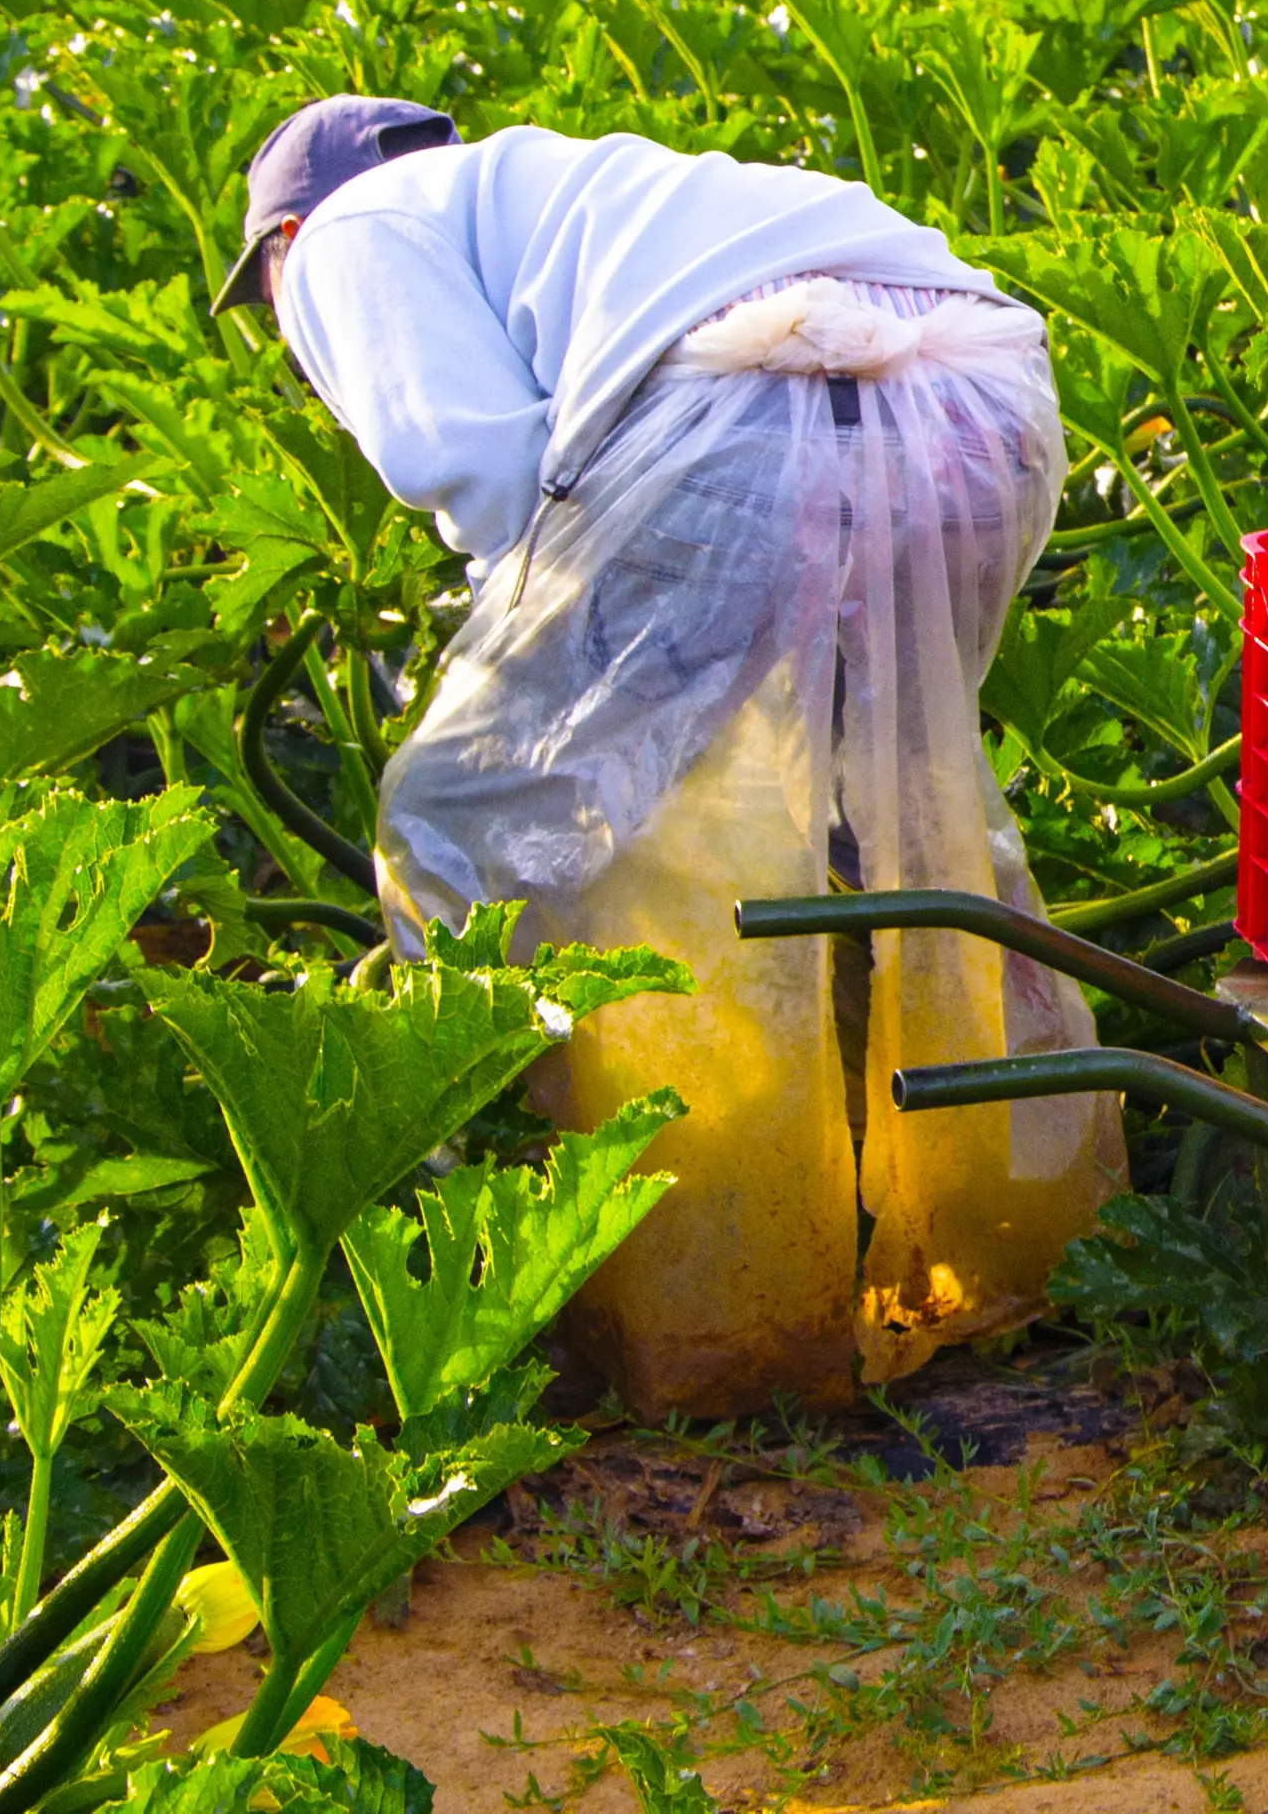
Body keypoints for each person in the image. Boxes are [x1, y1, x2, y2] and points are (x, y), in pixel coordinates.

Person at [216, 96, 1122, 1411]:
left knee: (461, 827)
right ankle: (994, 1232)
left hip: (760, 412)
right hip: (984, 404)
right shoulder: (562, 193)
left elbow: (468, 456)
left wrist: (533, 677)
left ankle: (587, 1280)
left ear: (286, 236)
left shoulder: (349, 233)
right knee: (878, 825)